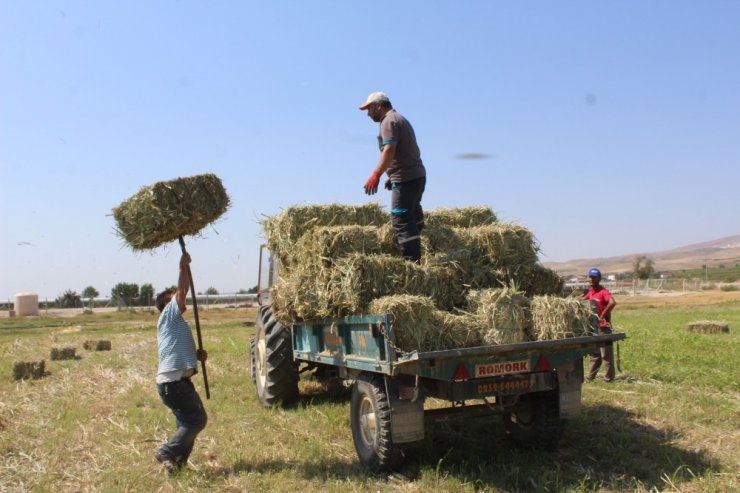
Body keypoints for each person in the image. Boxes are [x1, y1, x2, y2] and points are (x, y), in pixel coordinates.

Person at [153, 252, 208, 472]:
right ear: (166, 305)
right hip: (174, 383)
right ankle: (167, 451)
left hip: (175, 382)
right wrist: (182, 268)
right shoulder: (169, 314)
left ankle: (175, 465)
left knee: (186, 425)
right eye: (172, 297)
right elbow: (182, 290)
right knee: (197, 421)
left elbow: (175, 350)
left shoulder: (175, 323)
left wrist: (196, 356)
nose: (178, 298)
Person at [360, 91, 426, 263]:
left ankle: (412, 264)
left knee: (401, 218)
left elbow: (390, 150)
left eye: (369, 109)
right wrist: (392, 173)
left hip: (406, 178)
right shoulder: (400, 119)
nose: (368, 114)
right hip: (416, 174)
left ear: (378, 106)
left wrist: (376, 174)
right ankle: (425, 245)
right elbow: (405, 151)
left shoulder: (388, 121)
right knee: (412, 213)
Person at [582, 268, 617, 382]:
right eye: (590, 277)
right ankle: (590, 377)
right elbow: (582, 301)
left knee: (606, 355)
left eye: (594, 277)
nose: (592, 279)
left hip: (604, 327)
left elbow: (612, 302)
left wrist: (602, 315)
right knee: (595, 355)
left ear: (599, 279)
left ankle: (609, 378)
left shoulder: (603, 292)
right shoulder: (591, 291)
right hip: (594, 328)